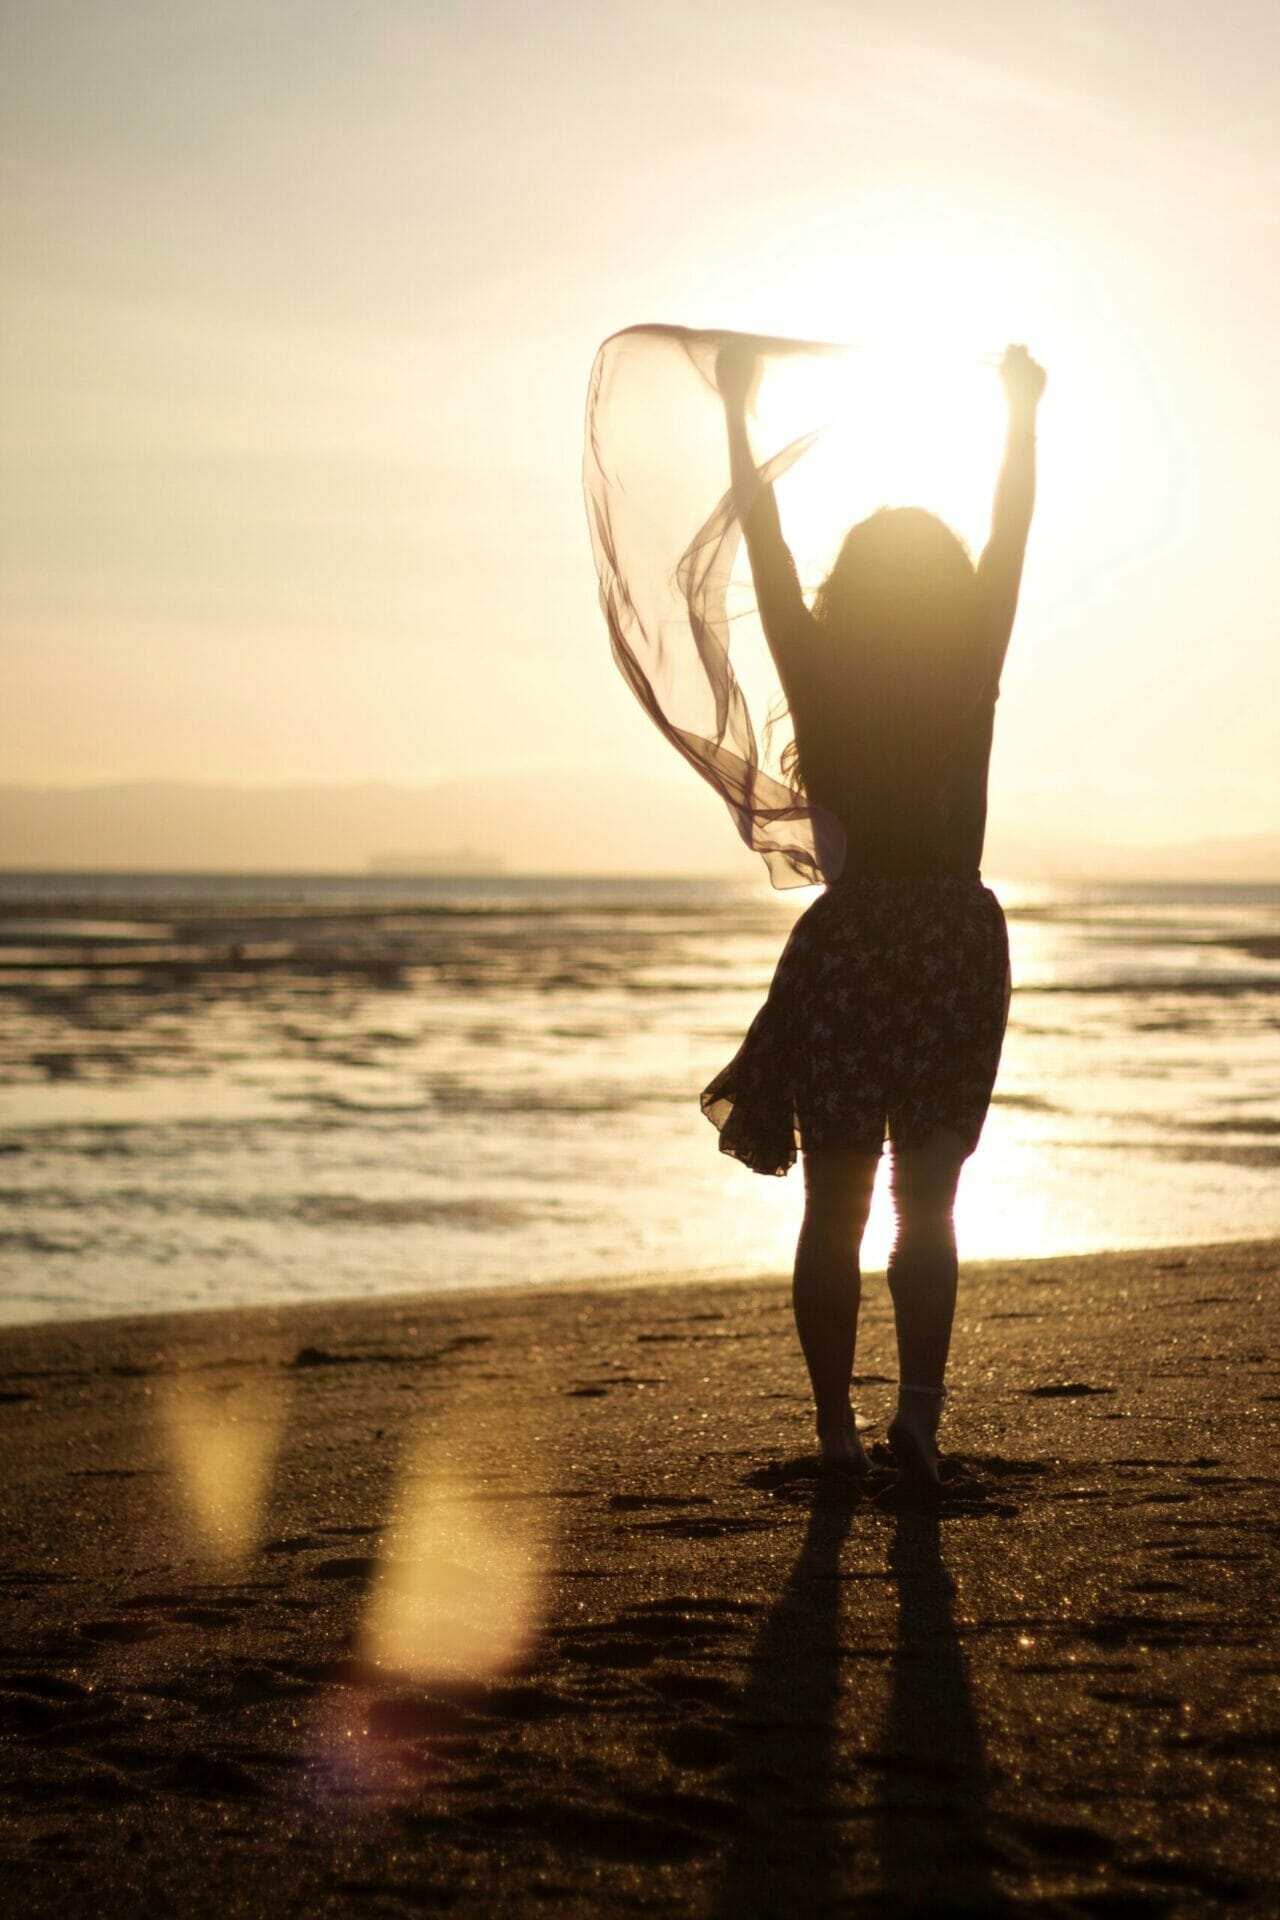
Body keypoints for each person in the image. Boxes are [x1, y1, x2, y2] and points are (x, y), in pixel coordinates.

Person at [701, 341, 1047, 1491]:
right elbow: (1013, 530)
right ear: (946, 588)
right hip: (952, 938)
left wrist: (739, 417)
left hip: (850, 946)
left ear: (850, 592)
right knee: (928, 1199)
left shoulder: (823, 668)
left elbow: (764, 542)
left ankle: (836, 1437)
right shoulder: (968, 659)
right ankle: (918, 1423)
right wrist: (1017, 412)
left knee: (835, 1202)